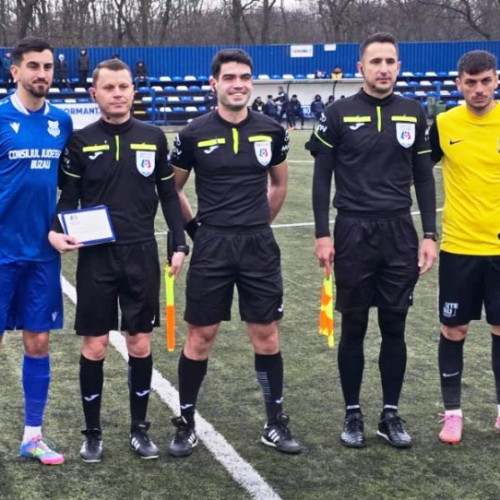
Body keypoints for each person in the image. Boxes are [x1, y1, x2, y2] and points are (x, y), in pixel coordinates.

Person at [48, 58, 187, 463]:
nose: (118, 94)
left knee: (139, 343)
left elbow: (168, 195)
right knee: (94, 346)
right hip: (97, 257)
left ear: (133, 90)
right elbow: (68, 198)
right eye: (109, 88)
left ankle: (139, 429)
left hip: (141, 253)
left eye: (124, 86)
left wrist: (178, 242)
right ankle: (92, 434)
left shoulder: (152, 137)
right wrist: (55, 230)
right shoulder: (81, 141)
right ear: (95, 94)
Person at [167, 48, 301, 457]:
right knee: (201, 336)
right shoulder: (192, 134)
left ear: (251, 82)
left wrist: (260, 222)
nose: (238, 84)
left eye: (244, 77)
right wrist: (196, 231)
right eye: (229, 77)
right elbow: (173, 190)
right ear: (215, 83)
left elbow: (278, 184)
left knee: (266, 335)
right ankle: (186, 423)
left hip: (258, 246)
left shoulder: (271, 131)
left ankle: (274, 423)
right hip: (213, 247)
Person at [307, 32, 437, 449]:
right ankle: (353, 413)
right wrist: (322, 233)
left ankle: (390, 414)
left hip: (399, 231)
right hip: (353, 230)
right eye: (376, 61)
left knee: (395, 324)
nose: (383, 68)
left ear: (399, 66)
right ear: (360, 67)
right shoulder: (337, 113)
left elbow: (424, 178)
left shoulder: (413, 112)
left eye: (390, 61)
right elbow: (321, 178)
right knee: (355, 325)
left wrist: (429, 234)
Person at [0, 37, 72, 465]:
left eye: (47, 66)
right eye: (33, 66)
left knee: (39, 341)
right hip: (1, 254)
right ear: (15, 71)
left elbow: (70, 186)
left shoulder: (61, 121)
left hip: (43, 254)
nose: (42, 73)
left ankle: (33, 436)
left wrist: (65, 227)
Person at [429, 50, 500, 445]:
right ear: (459, 84)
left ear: (496, 80)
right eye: (470, 83)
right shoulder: (444, 124)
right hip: (458, 247)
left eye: (485, 81)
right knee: (453, 329)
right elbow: (415, 171)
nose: (478, 89)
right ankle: (453, 413)